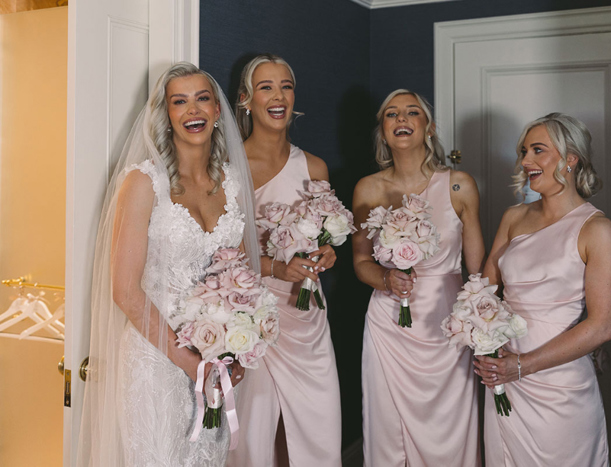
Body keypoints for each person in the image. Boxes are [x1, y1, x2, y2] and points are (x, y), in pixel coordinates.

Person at [77, 62, 259, 467]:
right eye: (180, 101)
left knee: (207, 458)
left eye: (202, 99)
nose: (192, 110)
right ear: (167, 114)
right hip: (153, 359)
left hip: (212, 359)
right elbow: (124, 291)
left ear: (217, 111)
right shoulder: (143, 182)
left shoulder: (231, 181)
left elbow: (241, 277)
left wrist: (234, 350)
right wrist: (188, 361)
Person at [475, 113, 611, 466]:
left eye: (537, 150)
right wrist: (483, 339)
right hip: (503, 377)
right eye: (524, 151)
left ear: (570, 159)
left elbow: (602, 326)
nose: (525, 161)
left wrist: (522, 365)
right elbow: (485, 291)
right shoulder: (514, 217)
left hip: (558, 383)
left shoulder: (598, 231)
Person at [352, 89, 484, 466]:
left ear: (429, 127)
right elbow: (361, 262)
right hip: (388, 324)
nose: (402, 119)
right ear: (383, 130)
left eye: (412, 112)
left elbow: (476, 270)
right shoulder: (368, 188)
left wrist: (480, 324)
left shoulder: (459, 184)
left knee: (450, 426)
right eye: (392, 114)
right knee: (387, 425)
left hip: (445, 322)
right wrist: (386, 279)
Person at [226, 53, 342, 466]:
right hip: (251, 314)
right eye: (266, 87)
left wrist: (327, 251)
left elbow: (324, 232)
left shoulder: (313, 166)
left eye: (286, 87)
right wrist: (276, 268)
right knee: (257, 432)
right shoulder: (228, 167)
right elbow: (219, 251)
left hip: (306, 315)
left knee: (316, 425)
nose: (278, 96)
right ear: (245, 100)